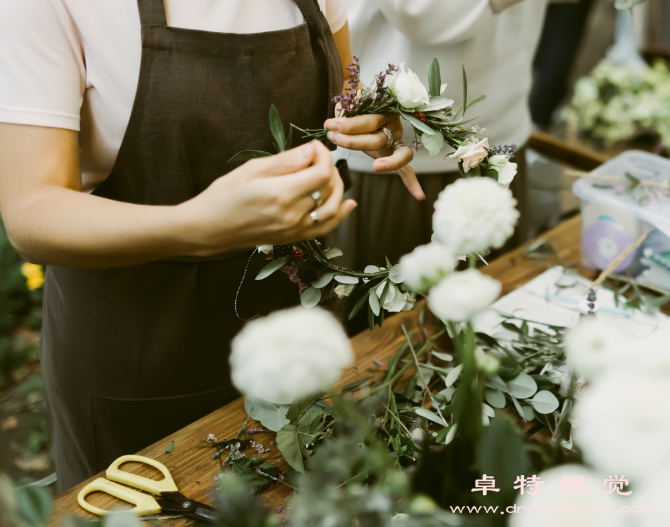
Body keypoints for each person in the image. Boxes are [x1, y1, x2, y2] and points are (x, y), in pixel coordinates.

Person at [0, 0, 416, 491]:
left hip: (297, 327)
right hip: (140, 355)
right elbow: (31, 211)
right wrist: (195, 224)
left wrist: (373, 124)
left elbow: (342, 101)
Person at [331, 0, 550, 273]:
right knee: (398, 304)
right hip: (397, 152)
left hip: (501, 125)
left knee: (494, 294)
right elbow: (423, 11)